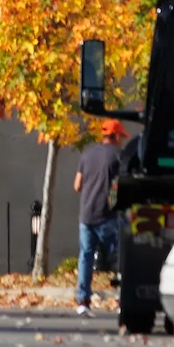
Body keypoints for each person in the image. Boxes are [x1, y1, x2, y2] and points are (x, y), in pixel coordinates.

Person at [72, 121, 125, 315]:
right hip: (106, 214)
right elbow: (119, 187)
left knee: (85, 256)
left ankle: (83, 302)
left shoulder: (86, 155)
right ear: (116, 136)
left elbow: (77, 185)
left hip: (86, 214)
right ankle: (123, 298)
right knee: (120, 256)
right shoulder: (118, 157)